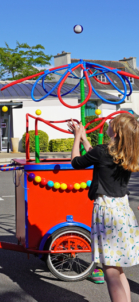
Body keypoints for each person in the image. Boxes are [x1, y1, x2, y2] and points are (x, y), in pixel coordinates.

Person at [69, 113, 139, 302]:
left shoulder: (102, 151)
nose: (107, 125)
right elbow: (101, 159)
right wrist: (84, 141)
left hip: (107, 213)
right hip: (123, 212)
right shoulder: (127, 152)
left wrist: (76, 137)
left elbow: (76, 162)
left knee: (110, 271)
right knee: (118, 269)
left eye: (110, 124)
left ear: (115, 132)